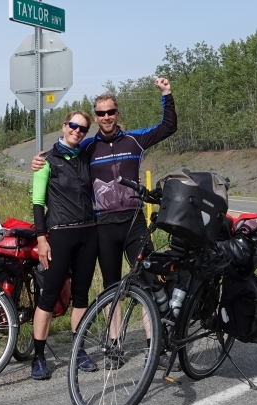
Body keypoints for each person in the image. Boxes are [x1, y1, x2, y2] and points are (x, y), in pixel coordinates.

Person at [32, 77, 176, 289]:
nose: (106, 117)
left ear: (117, 114)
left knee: (150, 281)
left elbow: (168, 127)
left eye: (110, 112)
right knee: (111, 285)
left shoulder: (134, 140)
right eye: (101, 113)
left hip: (134, 221)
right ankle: (114, 325)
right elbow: (62, 154)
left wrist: (166, 94)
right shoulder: (88, 148)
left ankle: (153, 323)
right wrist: (40, 161)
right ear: (96, 118)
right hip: (104, 225)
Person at [29, 111, 100, 380]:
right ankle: (38, 357)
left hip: (87, 234)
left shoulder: (86, 155)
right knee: (48, 296)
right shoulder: (46, 160)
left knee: (81, 297)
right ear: (64, 126)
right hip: (58, 235)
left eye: (82, 128)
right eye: (73, 126)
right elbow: (37, 202)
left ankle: (79, 351)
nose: (77, 131)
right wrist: (41, 238)